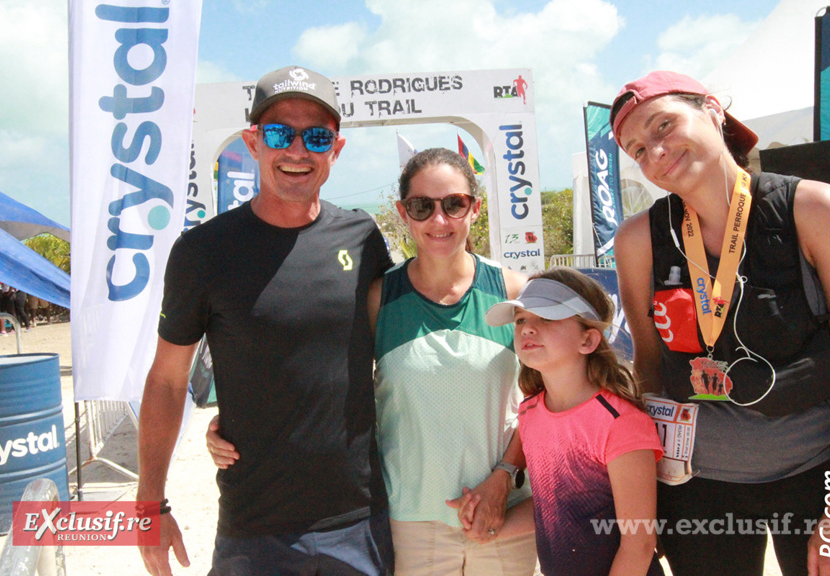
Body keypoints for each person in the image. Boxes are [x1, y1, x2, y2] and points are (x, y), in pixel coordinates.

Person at [209, 148, 538, 576]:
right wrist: (234, 425)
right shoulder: (379, 298)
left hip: (503, 514)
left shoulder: (514, 292)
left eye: (454, 204)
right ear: (403, 212)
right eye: (422, 206)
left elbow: (547, 398)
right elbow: (317, 376)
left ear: (474, 209)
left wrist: (503, 477)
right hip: (409, 523)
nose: (439, 221)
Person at [136, 65, 394, 576]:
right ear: (253, 143)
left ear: (335, 151)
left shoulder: (363, 238)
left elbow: (406, 346)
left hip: (360, 523)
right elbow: (167, 381)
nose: (297, 151)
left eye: (317, 136)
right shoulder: (203, 251)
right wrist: (150, 504)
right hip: (254, 534)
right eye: (280, 132)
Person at [611, 70, 830, 576]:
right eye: (636, 150)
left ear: (714, 110)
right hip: (699, 488)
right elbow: (649, 370)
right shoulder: (638, 240)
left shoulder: (813, 208)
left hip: (816, 476)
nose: (653, 153)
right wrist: (651, 498)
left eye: (663, 126)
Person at [471, 268, 664, 576]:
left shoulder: (620, 422)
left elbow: (639, 542)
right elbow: (552, 510)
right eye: (520, 319)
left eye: (546, 318)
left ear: (588, 340)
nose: (527, 329)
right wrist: (489, 528)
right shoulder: (530, 413)